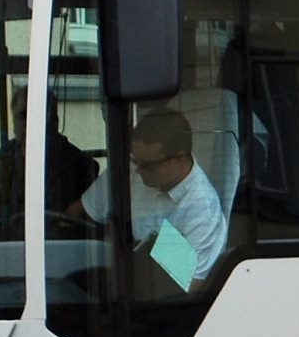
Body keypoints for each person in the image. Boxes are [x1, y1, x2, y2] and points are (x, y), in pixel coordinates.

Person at [81, 108, 228, 288]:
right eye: (136, 161)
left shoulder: (203, 209)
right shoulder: (131, 169)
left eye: (148, 166)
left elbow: (190, 286)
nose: (138, 170)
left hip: (151, 300)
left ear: (179, 159)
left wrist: (149, 246)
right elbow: (79, 214)